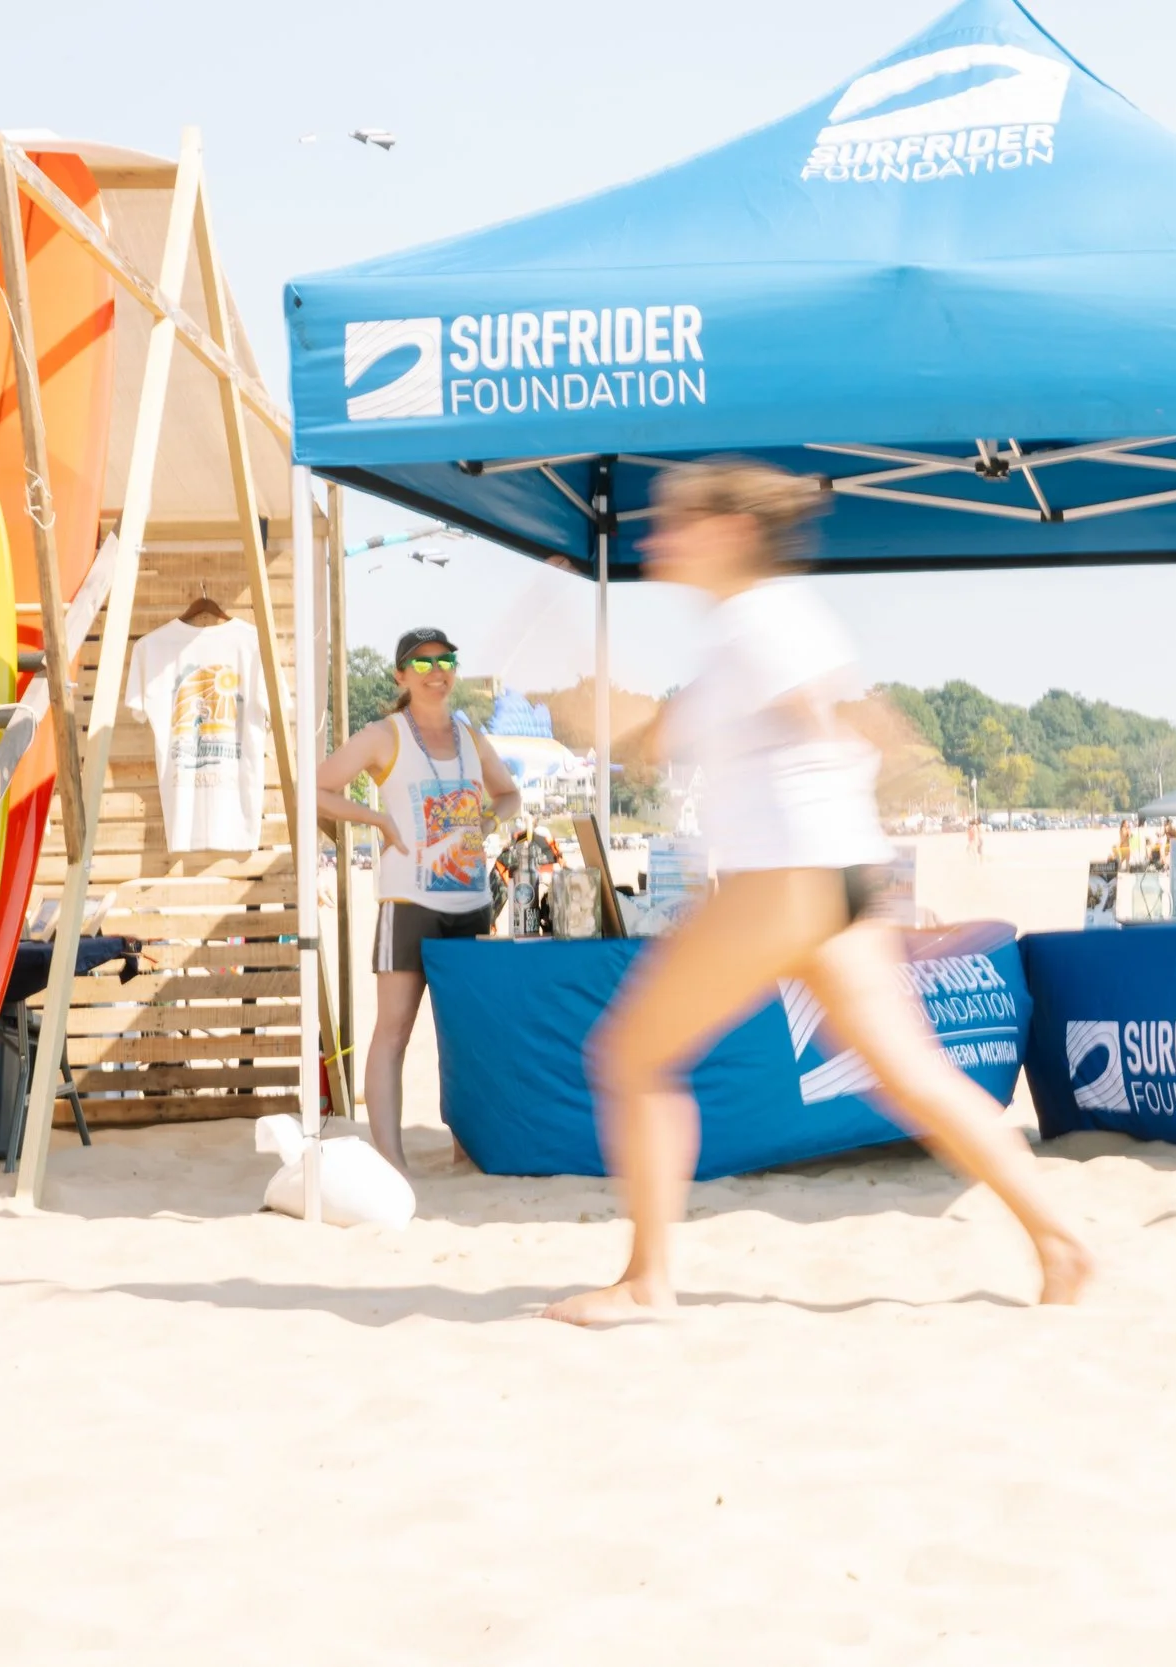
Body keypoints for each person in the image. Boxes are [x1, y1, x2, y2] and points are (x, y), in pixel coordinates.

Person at [545, 461, 1089, 1322]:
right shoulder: (748, 630)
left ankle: (648, 1282)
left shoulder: (759, 619)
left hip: (789, 875)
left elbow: (824, 714)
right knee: (910, 1073)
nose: (657, 539)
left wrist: (863, 761)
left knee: (631, 1057)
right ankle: (1057, 1240)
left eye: (674, 523)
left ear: (729, 533)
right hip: (835, 873)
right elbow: (669, 737)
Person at [315, 627, 522, 1174]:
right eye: (423, 663)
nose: (437, 672)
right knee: (394, 1032)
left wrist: (487, 819)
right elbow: (317, 788)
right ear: (401, 676)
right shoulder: (385, 735)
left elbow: (509, 794)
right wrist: (377, 819)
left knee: (466, 1035)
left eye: (446, 660)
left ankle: (465, 1151)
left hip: (473, 903)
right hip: (408, 904)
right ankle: (392, 1162)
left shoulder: (471, 737)